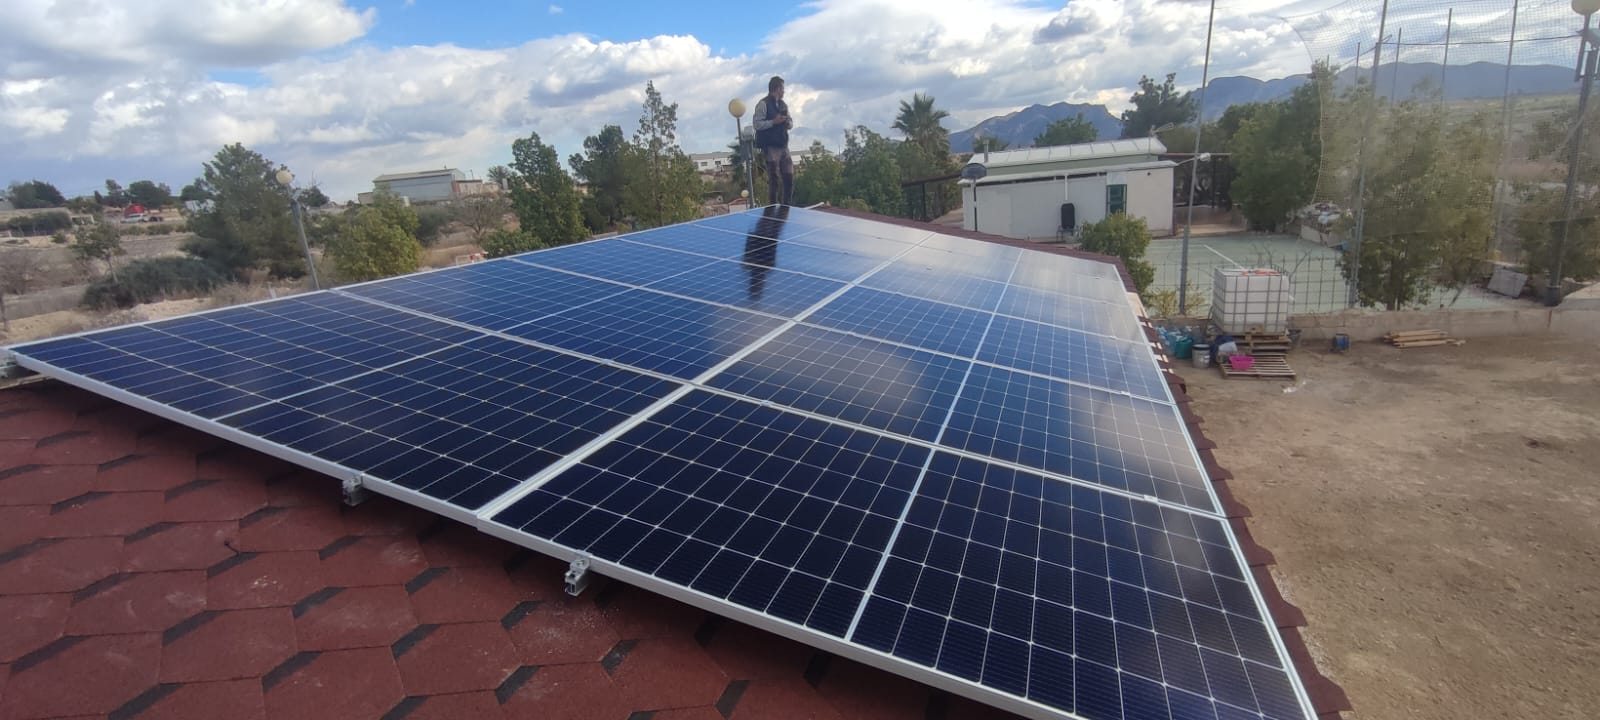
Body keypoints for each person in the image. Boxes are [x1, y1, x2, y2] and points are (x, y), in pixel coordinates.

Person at [752, 76, 794, 206]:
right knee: (774, 177)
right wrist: (773, 122)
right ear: (777, 89)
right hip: (771, 146)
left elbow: (791, 123)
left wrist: (787, 122)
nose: (784, 92)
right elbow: (757, 124)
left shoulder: (783, 105)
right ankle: (773, 206)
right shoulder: (763, 104)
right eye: (783, 89)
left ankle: (786, 205)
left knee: (789, 176)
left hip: (783, 145)